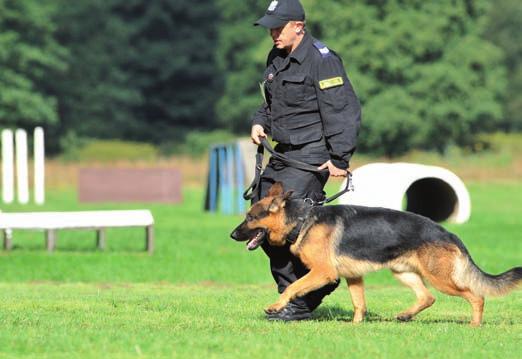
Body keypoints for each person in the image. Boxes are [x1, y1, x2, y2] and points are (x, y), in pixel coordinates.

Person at [250, 0, 362, 321]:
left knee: (290, 228)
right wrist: (261, 123)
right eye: (271, 26)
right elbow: (269, 102)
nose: (273, 33)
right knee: (261, 223)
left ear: (298, 25)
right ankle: (291, 294)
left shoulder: (323, 61)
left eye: (278, 26)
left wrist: (339, 158)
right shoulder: (276, 57)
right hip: (282, 152)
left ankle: (308, 295)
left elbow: (343, 112)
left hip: (311, 156)